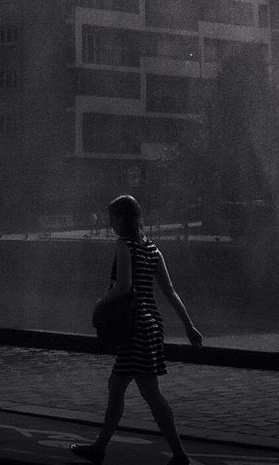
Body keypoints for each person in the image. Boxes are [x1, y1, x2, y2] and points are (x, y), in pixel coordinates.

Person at [71, 193, 204, 465]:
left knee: (143, 391)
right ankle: (102, 447)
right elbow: (170, 291)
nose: (111, 224)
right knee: (126, 387)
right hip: (151, 325)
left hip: (134, 328)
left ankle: (178, 455)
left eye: (113, 218)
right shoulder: (152, 248)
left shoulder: (124, 246)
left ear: (122, 218)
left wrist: (100, 303)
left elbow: (123, 287)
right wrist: (189, 325)